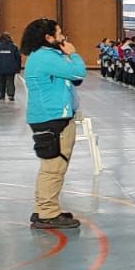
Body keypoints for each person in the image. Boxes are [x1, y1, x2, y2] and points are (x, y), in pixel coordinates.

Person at [21, 18, 86, 230]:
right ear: (48, 38)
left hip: (50, 115)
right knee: (54, 166)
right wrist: (73, 53)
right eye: (59, 34)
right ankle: (48, 212)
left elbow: (73, 80)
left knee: (51, 165)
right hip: (52, 117)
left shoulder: (44, 57)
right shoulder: (46, 57)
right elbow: (78, 72)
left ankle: (44, 207)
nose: (63, 37)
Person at [0, 32, 21, 101]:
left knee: (1, 81)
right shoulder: (13, 46)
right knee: (10, 81)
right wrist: (18, 67)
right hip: (11, 68)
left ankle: (2, 95)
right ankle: (11, 95)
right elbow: (18, 58)